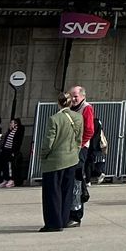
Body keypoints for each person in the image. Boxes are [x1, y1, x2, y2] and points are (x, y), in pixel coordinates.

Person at [37, 90, 83, 233]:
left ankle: (53, 223)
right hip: (71, 159)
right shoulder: (78, 117)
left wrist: (43, 155)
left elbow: (49, 141)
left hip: (55, 161)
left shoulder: (54, 119)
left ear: (58, 103)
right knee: (66, 192)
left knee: (52, 193)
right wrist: (75, 152)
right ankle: (63, 220)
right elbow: (79, 139)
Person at [67, 85, 100, 225]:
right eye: (71, 96)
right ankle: (69, 211)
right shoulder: (70, 108)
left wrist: (80, 145)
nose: (73, 99)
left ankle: (76, 214)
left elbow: (89, 130)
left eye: (76, 96)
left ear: (82, 96)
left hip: (80, 148)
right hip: (69, 147)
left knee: (77, 178)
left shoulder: (86, 108)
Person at [0, 115, 25, 187]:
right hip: (6, 149)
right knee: (4, 164)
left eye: (12, 123)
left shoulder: (18, 131)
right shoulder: (10, 131)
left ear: (16, 124)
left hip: (12, 150)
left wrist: (14, 151)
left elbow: (17, 142)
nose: (10, 124)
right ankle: (6, 178)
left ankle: (12, 179)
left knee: (11, 165)